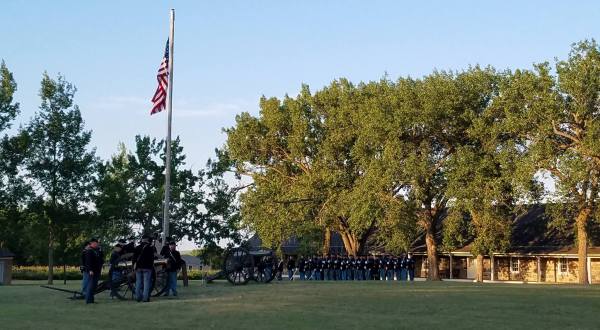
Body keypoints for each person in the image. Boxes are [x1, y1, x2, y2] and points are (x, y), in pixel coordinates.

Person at [133, 235, 155, 302]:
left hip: (138, 267)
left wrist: (134, 267)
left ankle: (137, 297)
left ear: (142, 240)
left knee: (138, 282)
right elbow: (152, 259)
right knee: (146, 283)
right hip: (147, 267)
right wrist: (151, 266)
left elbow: (134, 259)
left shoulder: (137, 247)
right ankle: (145, 298)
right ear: (147, 240)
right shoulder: (150, 248)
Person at [84, 238, 103, 304]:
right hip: (92, 271)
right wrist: (90, 270)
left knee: (94, 286)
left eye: (97, 243)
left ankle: (91, 300)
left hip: (97, 270)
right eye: (96, 243)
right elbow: (88, 262)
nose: (97, 244)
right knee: (90, 286)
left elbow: (100, 259)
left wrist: (100, 250)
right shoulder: (89, 251)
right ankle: (89, 300)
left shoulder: (97, 250)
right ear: (92, 243)